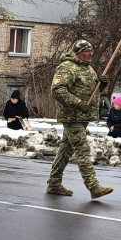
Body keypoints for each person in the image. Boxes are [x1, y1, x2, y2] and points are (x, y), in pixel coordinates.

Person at [48, 39, 113, 199]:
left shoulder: (88, 69)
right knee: (82, 150)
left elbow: (91, 91)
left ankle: (54, 184)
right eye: (87, 51)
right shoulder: (66, 67)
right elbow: (57, 90)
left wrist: (101, 85)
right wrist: (78, 103)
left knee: (65, 150)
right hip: (72, 117)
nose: (90, 54)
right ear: (78, 52)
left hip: (83, 117)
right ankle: (93, 186)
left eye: (91, 51)